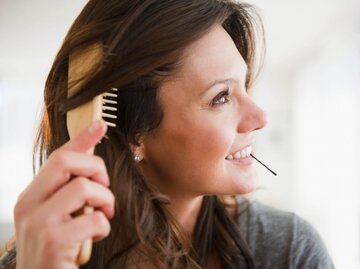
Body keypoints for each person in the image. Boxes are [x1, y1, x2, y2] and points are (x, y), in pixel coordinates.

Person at [0, 0, 335, 268]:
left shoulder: (289, 250)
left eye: (244, 86)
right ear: (136, 134)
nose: (260, 118)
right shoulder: (38, 261)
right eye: (221, 97)